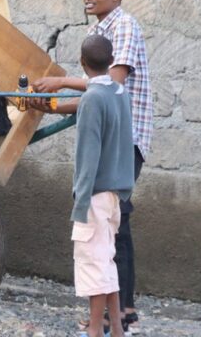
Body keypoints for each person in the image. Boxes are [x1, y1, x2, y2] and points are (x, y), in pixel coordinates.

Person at [32, 0, 152, 334]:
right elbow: (94, 97)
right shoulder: (97, 32)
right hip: (112, 134)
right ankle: (115, 319)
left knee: (109, 231)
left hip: (123, 139)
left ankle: (117, 315)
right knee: (113, 228)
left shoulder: (124, 27)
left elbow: (107, 86)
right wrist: (46, 104)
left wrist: (61, 82)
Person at [71, 34, 133, 337]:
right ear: (111, 62)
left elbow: (88, 154)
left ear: (83, 64)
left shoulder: (91, 99)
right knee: (106, 261)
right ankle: (117, 329)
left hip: (94, 194)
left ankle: (95, 331)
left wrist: (79, 201)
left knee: (93, 264)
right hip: (115, 193)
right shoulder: (120, 93)